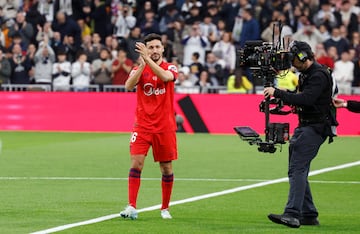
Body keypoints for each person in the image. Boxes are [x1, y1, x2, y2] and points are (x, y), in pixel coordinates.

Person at [264, 40, 335, 228]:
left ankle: (292, 214)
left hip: (315, 128)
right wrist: (283, 94)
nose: (292, 64)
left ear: (303, 56)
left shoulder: (318, 75)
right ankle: (309, 214)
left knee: (297, 169)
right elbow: (299, 96)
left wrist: (278, 93)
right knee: (297, 170)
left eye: (294, 59)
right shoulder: (307, 74)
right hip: (307, 126)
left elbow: (306, 98)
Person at [120, 33, 178, 220]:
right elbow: (128, 86)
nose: (154, 50)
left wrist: (147, 61)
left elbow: (166, 77)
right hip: (142, 126)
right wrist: (142, 65)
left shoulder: (170, 67)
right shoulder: (139, 69)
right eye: (150, 47)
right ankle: (131, 206)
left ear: (162, 49)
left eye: (156, 47)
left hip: (164, 127)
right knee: (136, 163)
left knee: (166, 168)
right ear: (145, 49)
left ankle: (164, 208)